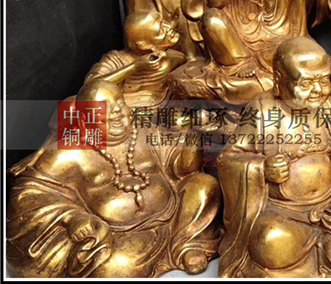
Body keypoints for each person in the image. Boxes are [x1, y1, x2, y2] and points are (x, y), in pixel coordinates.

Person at [217, 37, 331, 278]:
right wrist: (262, 169)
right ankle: (328, 240)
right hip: (284, 210)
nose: (317, 90)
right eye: (306, 83)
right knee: (270, 239)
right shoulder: (261, 110)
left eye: (323, 81)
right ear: (279, 81)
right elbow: (229, 158)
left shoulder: (324, 106)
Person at [7, 80, 222, 278]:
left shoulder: (145, 130)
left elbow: (184, 169)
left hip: (174, 217)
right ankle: (160, 254)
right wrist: (73, 219)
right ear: (84, 119)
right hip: (122, 236)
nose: (116, 113)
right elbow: (30, 194)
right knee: (114, 267)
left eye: (119, 104)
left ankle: (188, 245)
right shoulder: (70, 152)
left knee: (204, 186)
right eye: (104, 110)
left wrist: (191, 133)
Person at [84, 10, 185, 108]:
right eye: (160, 30)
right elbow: (90, 88)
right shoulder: (116, 59)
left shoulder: (176, 57)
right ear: (144, 45)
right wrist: (134, 66)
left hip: (164, 107)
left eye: (164, 22)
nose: (169, 27)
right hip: (124, 110)